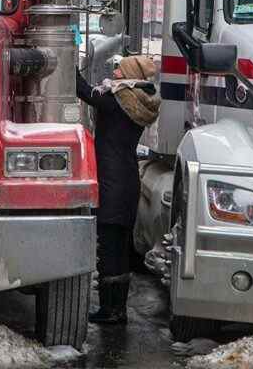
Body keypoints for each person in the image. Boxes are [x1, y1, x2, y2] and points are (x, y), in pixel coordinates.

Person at [76, 56, 161, 325]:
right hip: (127, 181)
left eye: (119, 69)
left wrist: (68, 61)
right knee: (120, 248)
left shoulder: (118, 101)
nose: (114, 72)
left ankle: (111, 310)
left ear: (129, 74)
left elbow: (84, 91)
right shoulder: (135, 100)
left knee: (110, 248)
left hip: (112, 183)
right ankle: (117, 308)